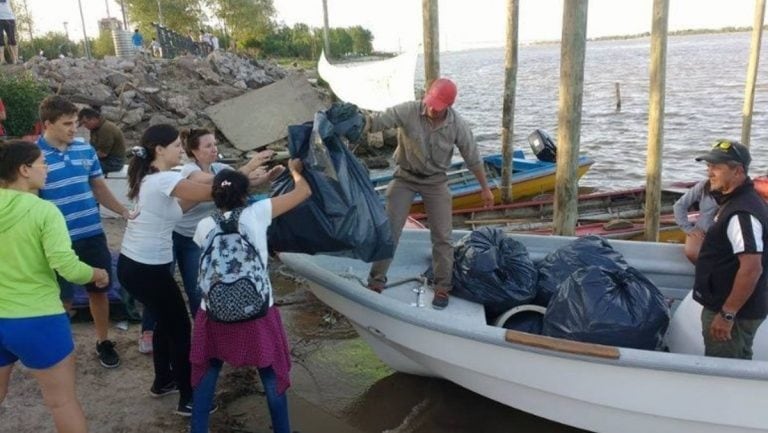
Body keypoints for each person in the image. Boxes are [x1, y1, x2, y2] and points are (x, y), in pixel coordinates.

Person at [135, 128, 281, 353]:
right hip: (177, 234)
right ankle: (148, 331)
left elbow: (235, 186)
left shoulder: (222, 168)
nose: (214, 149)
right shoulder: (188, 170)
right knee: (162, 285)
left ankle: (207, 332)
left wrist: (265, 179)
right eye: (208, 146)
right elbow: (219, 184)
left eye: (215, 145)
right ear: (194, 151)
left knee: (198, 287)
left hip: (201, 238)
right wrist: (250, 166)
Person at [190, 165, 311, 433]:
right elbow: (304, 192)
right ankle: (282, 430)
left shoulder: (203, 225)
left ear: (214, 196)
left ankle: (197, 428)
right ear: (246, 195)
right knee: (270, 372)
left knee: (208, 371)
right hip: (257, 311)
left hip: (213, 312)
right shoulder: (258, 213)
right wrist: (295, 171)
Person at [0, 140, 110, 433]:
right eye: (41, 163)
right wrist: (97, 274)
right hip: (38, 319)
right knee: (61, 402)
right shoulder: (44, 211)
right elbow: (68, 267)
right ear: (24, 170)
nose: (46, 168)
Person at [364, 77, 494, 309]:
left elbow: (472, 158)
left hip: (436, 182)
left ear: (450, 106)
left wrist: (485, 188)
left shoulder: (458, 125)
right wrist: (357, 121)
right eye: (431, 102)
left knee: (443, 237)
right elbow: (377, 121)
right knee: (389, 232)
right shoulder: (409, 110)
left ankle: (443, 286)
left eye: (439, 106)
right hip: (404, 177)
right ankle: (376, 280)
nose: (433, 109)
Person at [116, 124, 217, 416]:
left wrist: (242, 178)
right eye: (176, 146)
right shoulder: (161, 181)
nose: (180, 151)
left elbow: (181, 207)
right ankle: (188, 399)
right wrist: (244, 179)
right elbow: (208, 192)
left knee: (164, 322)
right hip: (146, 270)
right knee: (181, 329)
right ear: (159, 150)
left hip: (138, 267)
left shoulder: (154, 179)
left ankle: (163, 381)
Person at [36, 95, 131, 369]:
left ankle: (103, 342)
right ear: (47, 124)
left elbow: (98, 187)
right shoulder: (34, 156)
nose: (73, 129)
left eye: (75, 123)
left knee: (99, 288)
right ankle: (62, 351)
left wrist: (122, 211)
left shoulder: (84, 150)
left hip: (91, 232)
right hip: (56, 241)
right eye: (67, 124)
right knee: (61, 297)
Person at [692, 139, 768, 360]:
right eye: (708, 167)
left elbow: (752, 268)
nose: (710, 173)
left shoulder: (742, 213)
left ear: (738, 171)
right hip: (734, 309)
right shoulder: (738, 202)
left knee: (724, 370)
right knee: (738, 362)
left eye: (716, 167)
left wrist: (727, 314)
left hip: (734, 314)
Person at [672, 179, 719, 263]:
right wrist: (688, 229)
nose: (711, 172)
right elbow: (679, 205)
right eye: (709, 168)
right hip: (702, 234)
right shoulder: (704, 185)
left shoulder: (739, 193)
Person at [78, 107, 126, 175]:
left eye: (85, 123)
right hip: (105, 159)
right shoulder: (95, 128)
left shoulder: (106, 129)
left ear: (94, 119)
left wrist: (84, 158)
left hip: (114, 162)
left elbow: (103, 153)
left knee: (81, 168)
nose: (85, 126)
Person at [0, 0, 18, 65]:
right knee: (0, 40)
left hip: (9, 17)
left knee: (12, 39)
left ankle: (16, 59)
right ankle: (2, 60)